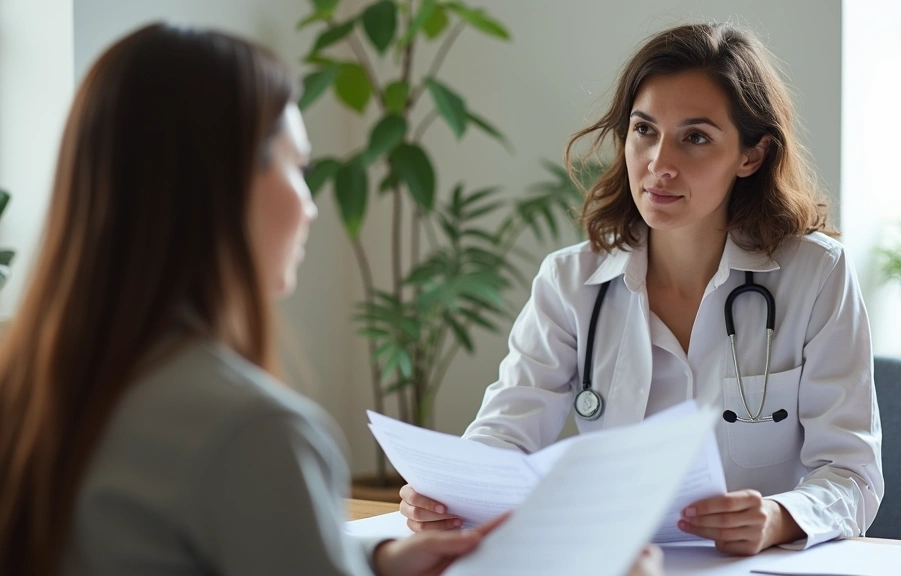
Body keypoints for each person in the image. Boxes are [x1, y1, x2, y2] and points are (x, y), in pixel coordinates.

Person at [0, 23, 662, 576]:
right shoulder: (252, 431)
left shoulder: (26, 382)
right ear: (225, 185)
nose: (314, 205)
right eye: (300, 166)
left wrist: (372, 565)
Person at [399, 22, 884, 557]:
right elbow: (505, 432)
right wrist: (450, 494)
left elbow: (853, 474)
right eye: (644, 130)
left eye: (695, 137)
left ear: (751, 155)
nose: (659, 164)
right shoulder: (570, 283)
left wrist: (778, 517)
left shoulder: (816, 275)